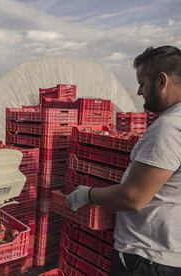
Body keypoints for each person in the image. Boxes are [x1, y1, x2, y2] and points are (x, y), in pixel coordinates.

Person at [67, 46, 181, 275]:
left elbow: (133, 198)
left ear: (162, 81)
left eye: (142, 83)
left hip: (148, 258)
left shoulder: (169, 128)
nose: (139, 92)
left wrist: (88, 194)